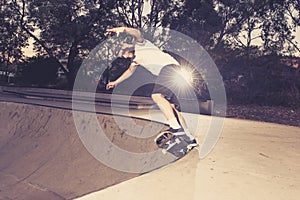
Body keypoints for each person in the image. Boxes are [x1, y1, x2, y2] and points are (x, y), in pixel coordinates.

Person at [105, 26, 197, 147]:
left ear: (127, 45)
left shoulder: (141, 45)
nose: (123, 56)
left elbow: (137, 32)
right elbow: (129, 72)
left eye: (122, 52)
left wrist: (120, 29)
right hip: (176, 72)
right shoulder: (136, 60)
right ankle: (189, 138)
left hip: (169, 68)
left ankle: (175, 127)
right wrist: (115, 82)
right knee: (174, 107)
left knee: (156, 96)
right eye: (122, 56)